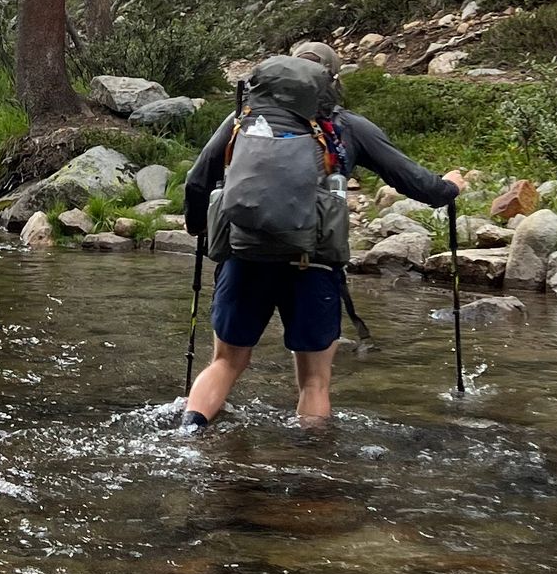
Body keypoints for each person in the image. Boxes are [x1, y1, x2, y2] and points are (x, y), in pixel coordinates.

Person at [179, 40, 463, 432]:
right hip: (312, 263)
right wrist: (450, 187)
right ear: (331, 81)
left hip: (244, 256)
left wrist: (201, 230)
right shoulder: (346, 127)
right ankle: (311, 474)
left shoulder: (242, 122)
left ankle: (189, 433)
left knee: (226, 363)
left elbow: (197, 182)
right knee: (314, 380)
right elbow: (418, 184)